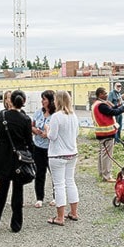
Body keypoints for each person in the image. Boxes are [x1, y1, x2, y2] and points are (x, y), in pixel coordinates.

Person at [0, 90, 33, 233]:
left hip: (3, 158)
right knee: (18, 191)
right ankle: (16, 224)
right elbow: (29, 143)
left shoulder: (2, 115)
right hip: (18, 159)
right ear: (23, 102)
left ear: (11, 101)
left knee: (1, 192)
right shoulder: (25, 119)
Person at [46, 90, 80, 226]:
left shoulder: (56, 117)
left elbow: (52, 136)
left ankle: (60, 217)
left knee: (59, 185)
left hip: (57, 154)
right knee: (70, 182)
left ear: (58, 101)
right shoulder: (74, 116)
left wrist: (47, 129)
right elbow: (76, 133)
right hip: (72, 153)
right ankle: (74, 212)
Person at [92, 86, 124, 182]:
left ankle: (101, 172)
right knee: (107, 155)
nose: (107, 95)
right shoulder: (101, 105)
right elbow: (113, 112)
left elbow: (111, 108)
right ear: (100, 94)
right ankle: (107, 175)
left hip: (101, 133)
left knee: (102, 154)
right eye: (105, 93)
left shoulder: (97, 104)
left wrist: (120, 105)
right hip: (106, 133)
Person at [31, 90, 55, 207]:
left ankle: (56, 197)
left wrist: (48, 134)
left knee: (54, 173)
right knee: (39, 172)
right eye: (42, 99)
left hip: (51, 148)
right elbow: (32, 125)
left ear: (50, 101)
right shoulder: (38, 113)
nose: (42, 101)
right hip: (38, 146)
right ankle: (39, 197)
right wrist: (35, 130)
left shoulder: (56, 115)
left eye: (44, 99)